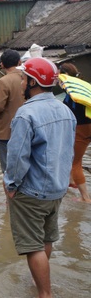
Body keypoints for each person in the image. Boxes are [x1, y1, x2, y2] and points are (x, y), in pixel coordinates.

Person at [4, 57, 76, 298]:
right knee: (45, 238)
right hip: (57, 189)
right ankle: (39, 284)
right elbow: (68, 151)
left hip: (32, 191)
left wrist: (10, 185)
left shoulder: (26, 113)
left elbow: (17, 157)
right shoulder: (65, 110)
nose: (21, 82)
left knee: (33, 244)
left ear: (33, 82)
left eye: (23, 78)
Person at [0, 49, 25, 173]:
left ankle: (11, 191)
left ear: (2, 64)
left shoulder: (3, 81)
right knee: (23, 164)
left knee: (8, 168)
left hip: (6, 130)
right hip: (25, 128)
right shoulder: (26, 78)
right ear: (19, 62)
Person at [58, 62, 91, 203]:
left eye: (59, 77)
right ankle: (71, 181)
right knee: (77, 158)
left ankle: (85, 198)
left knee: (75, 163)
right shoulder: (82, 87)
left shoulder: (71, 94)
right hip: (89, 125)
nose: (58, 81)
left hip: (82, 129)